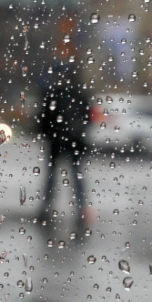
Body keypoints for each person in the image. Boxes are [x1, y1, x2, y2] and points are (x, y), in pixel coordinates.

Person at [37, 62, 93, 227]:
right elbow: (87, 117)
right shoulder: (77, 94)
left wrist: (48, 133)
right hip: (70, 141)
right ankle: (80, 208)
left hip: (60, 141)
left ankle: (47, 207)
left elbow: (44, 118)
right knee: (73, 176)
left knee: (56, 176)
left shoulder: (55, 94)